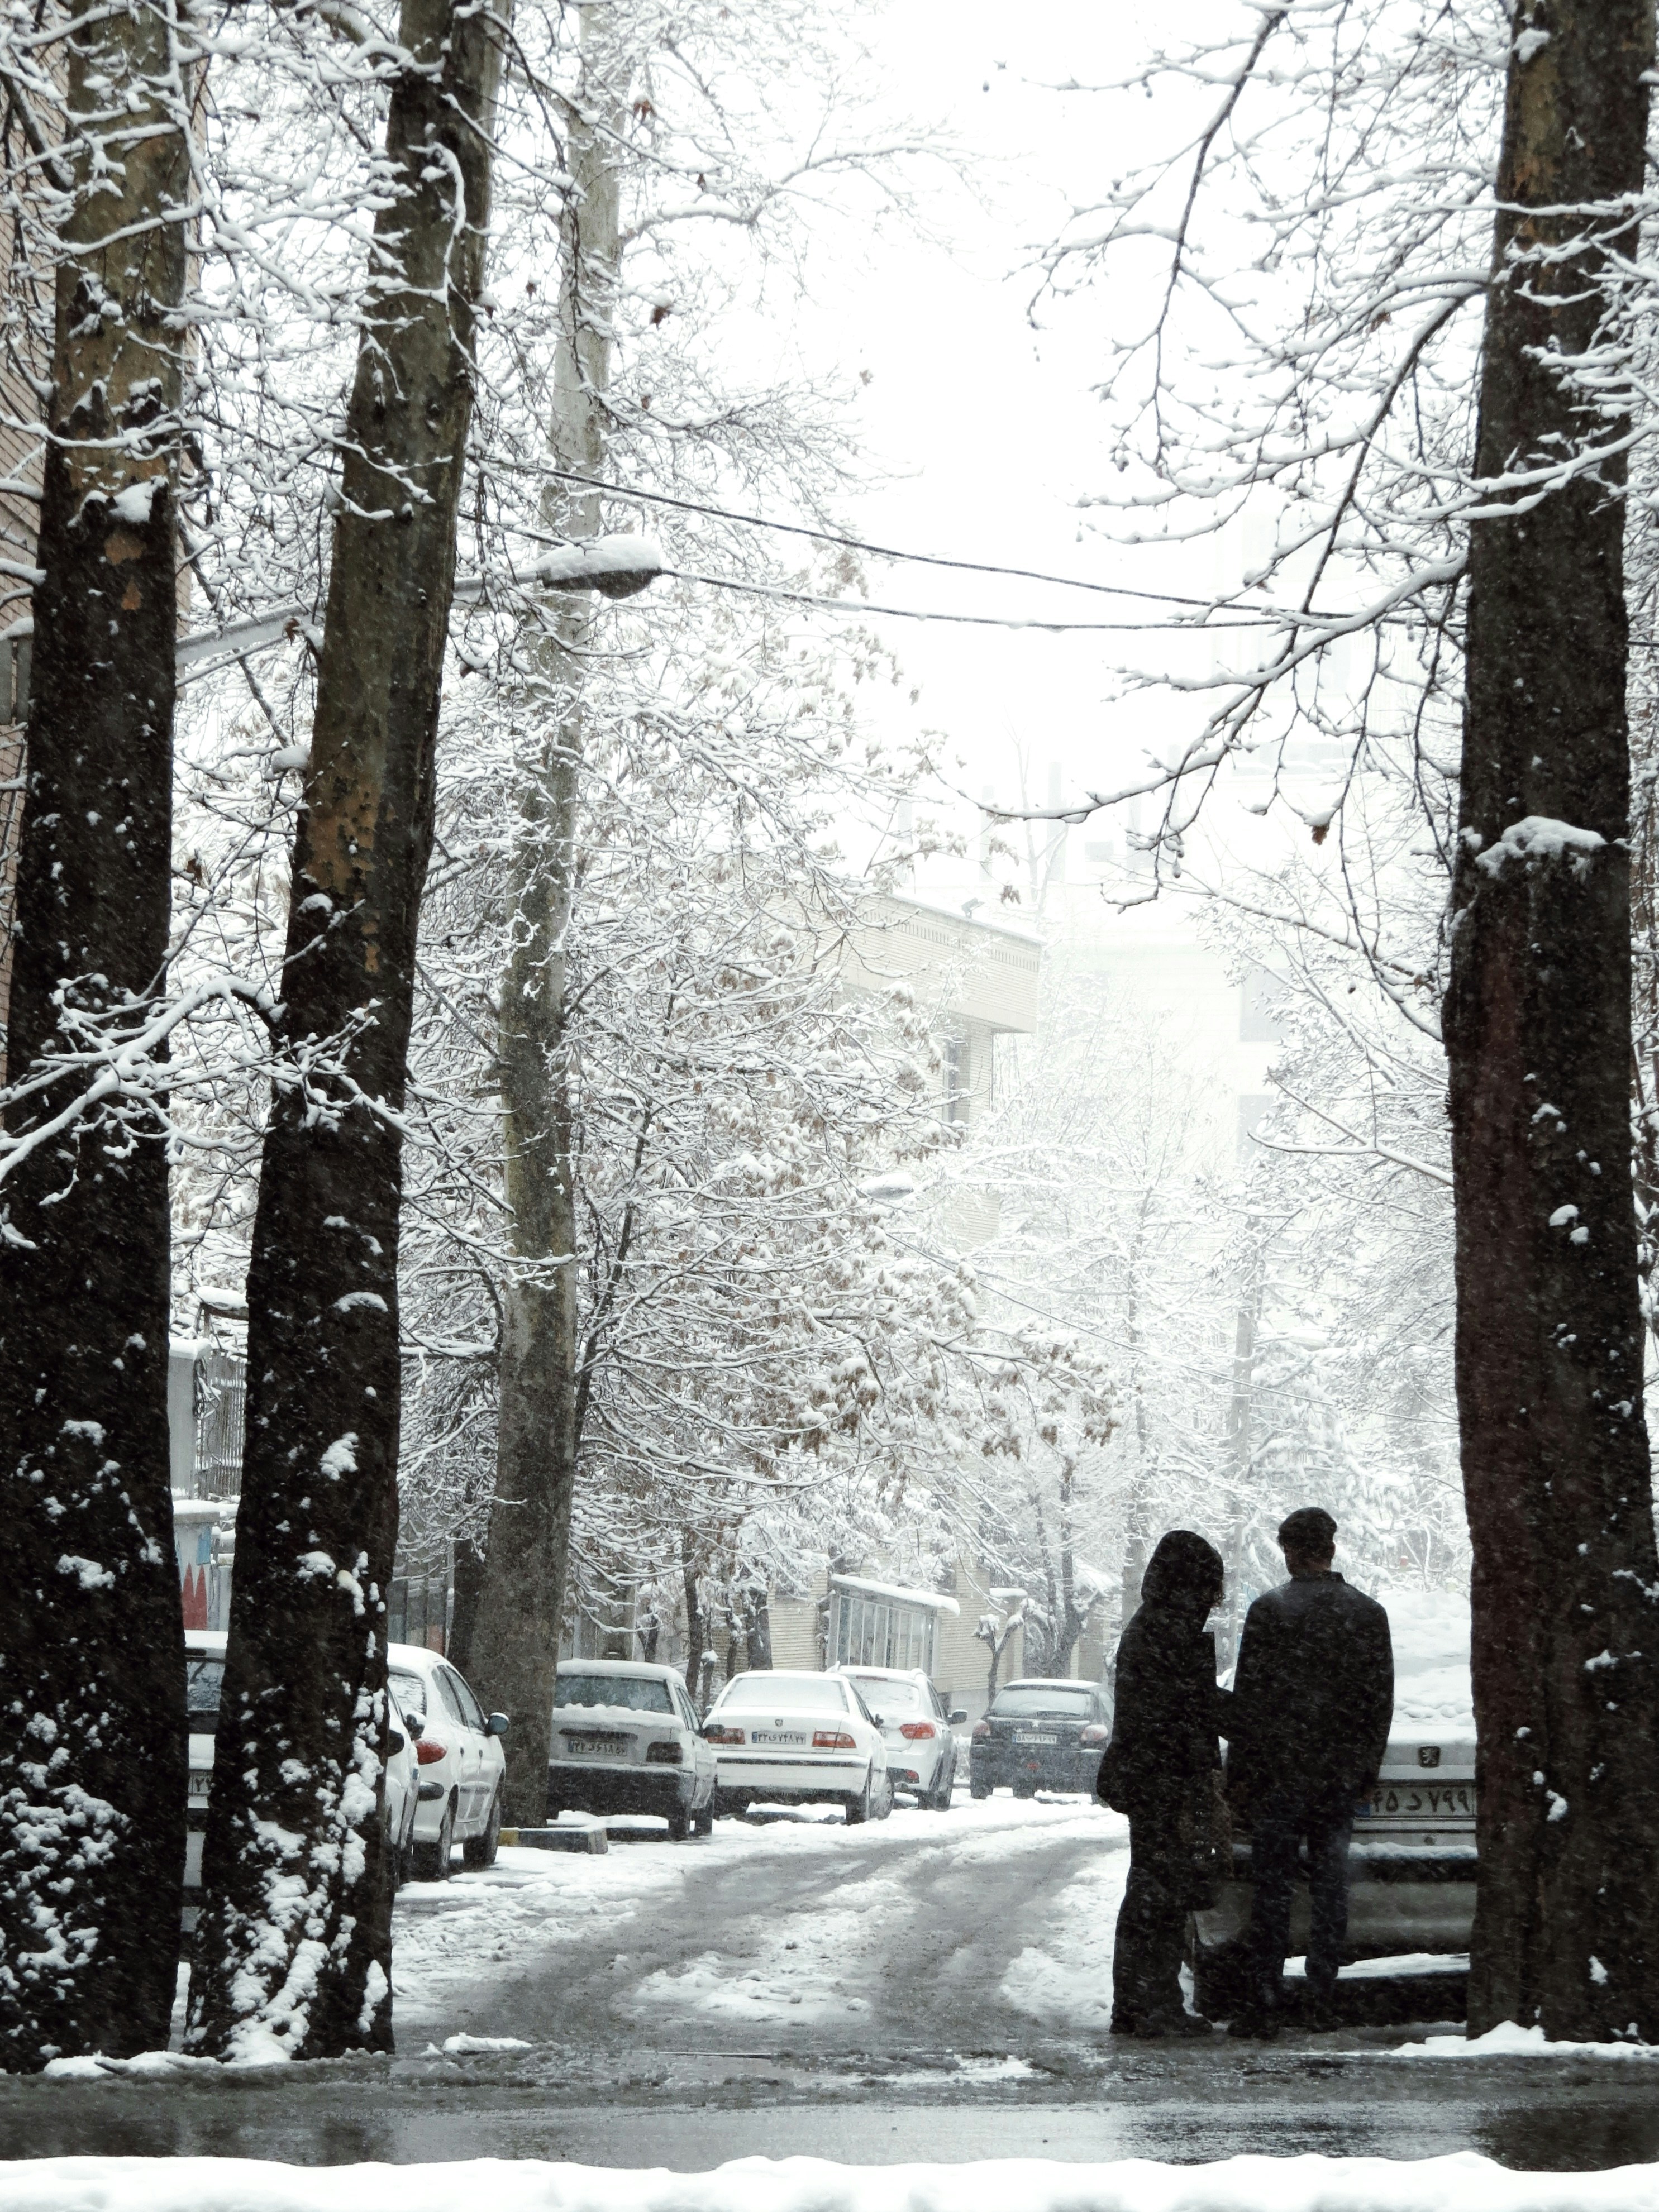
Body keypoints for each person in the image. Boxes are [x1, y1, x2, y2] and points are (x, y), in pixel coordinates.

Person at [1226, 1506, 1394, 2037]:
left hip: (1281, 1773)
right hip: (1338, 1776)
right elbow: (1378, 1702)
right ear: (1332, 1548)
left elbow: (1250, 1701)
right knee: (1329, 1884)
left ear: (1289, 1551)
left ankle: (1266, 1994)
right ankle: (1322, 1993)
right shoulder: (1368, 1614)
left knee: (1272, 1886)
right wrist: (1365, 1768)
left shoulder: (1269, 1611)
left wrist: (1241, 1777)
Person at [1096, 1528, 1230, 2037]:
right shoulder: (1165, 1631)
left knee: (1152, 1891)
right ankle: (1153, 2004)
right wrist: (1259, 1717)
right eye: (1207, 1588)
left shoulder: (1152, 1625)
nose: (1211, 1600)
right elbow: (1194, 1703)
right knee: (1159, 1893)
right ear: (1189, 1584)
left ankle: (1139, 2002)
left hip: (1151, 1775)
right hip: (1162, 1778)